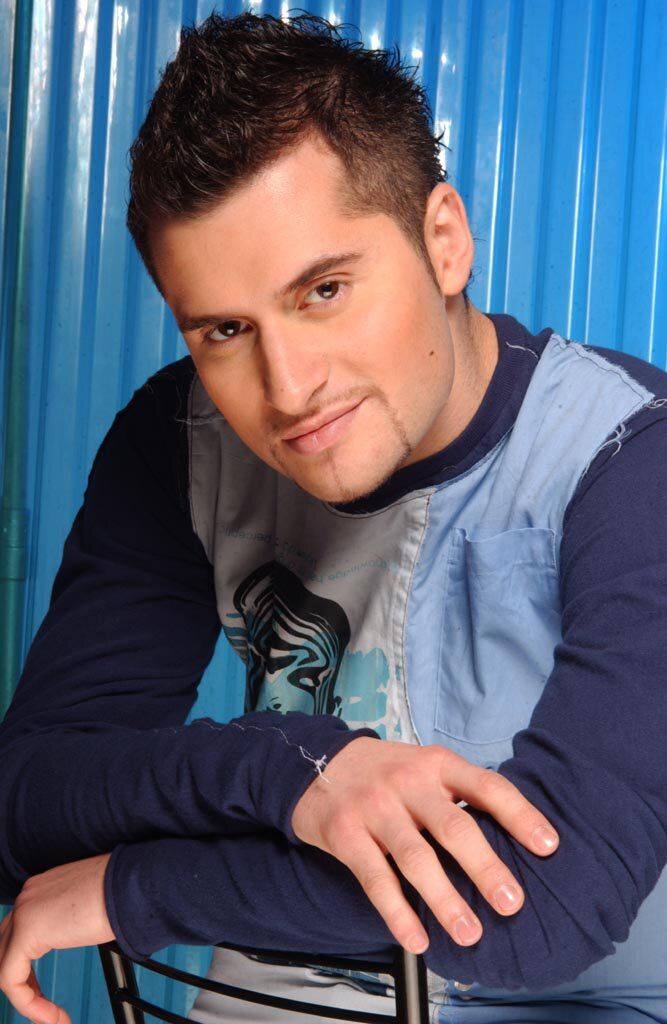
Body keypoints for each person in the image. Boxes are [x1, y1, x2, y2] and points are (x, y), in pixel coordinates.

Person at [1, 11, 667, 1024]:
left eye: (323, 289)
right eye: (226, 329)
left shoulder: (631, 457)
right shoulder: (175, 440)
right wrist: (293, 767)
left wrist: (137, 887)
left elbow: (546, 905)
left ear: (443, 241)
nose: (287, 386)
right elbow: (28, 799)